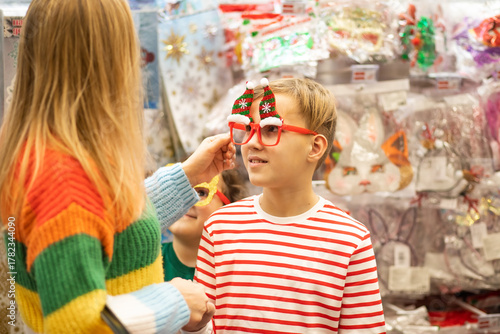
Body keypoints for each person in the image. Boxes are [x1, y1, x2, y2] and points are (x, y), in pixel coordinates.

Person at [0, 0, 236, 333]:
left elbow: (103, 227)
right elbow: (77, 324)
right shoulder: (61, 178)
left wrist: (186, 178)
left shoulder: (60, 150)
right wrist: (174, 299)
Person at [190, 78, 387, 333]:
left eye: (271, 129)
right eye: (248, 129)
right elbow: (201, 323)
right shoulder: (220, 227)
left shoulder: (349, 240)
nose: (252, 142)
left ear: (314, 147)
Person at [162, 169, 247, 281]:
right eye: (179, 189)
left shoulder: (240, 272)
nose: (186, 200)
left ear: (228, 208)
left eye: (201, 193)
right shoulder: (144, 261)